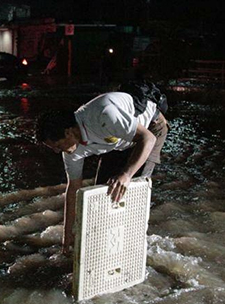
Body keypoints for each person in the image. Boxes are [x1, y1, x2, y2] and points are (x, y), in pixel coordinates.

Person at [36, 89, 168, 255]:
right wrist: (67, 233)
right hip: (117, 141)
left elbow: (148, 139)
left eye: (57, 145)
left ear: (68, 132)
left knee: (130, 190)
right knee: (102, 195)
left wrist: (126, 175)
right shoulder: (70, 151)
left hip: (150, 130)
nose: (57, 151)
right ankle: (104, 248)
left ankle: (132, 247)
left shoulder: (104, 115)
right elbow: (73, 188)